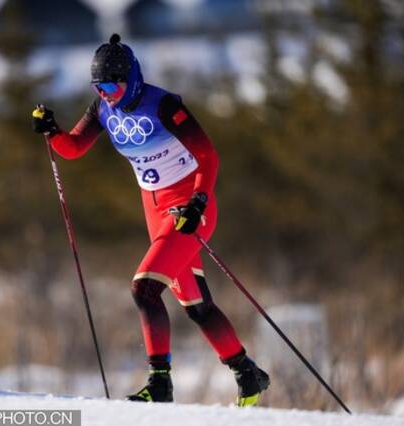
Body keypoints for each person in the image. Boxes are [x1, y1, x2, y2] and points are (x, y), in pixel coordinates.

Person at [32, 34, 269, 406]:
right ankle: (247, 373)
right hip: (154, 210)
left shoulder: (163, 105)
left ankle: (160, 384)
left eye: (112, 86)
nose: (107, 94)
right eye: (99, 87)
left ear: (133, 77)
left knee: (144, 289)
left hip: (188, 207)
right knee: (196, 307)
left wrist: (198, 201)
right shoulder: (102, 109)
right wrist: (52, 131)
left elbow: (208, 157)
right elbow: (74, 148)